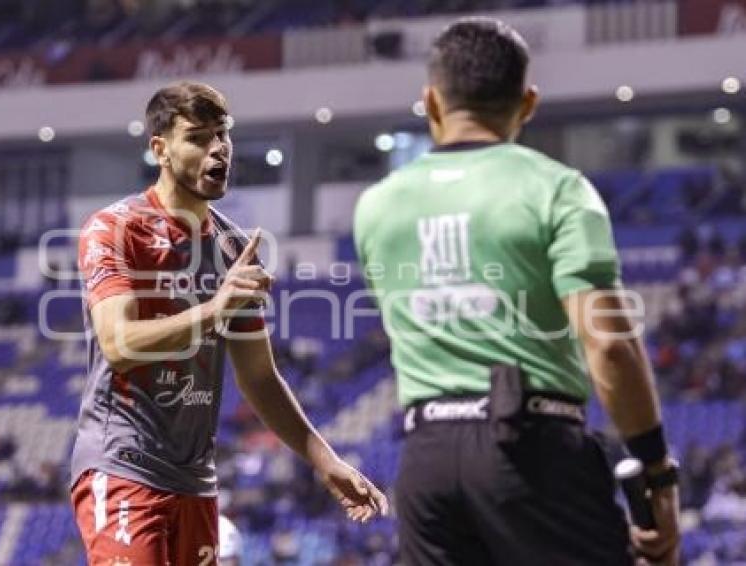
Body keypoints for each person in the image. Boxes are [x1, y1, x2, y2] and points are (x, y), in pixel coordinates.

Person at [353, 17, 680, 566]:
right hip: (532, 449)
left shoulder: (376, 206)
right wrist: (656, 469)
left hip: (425, 462)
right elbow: (610, 345)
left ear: (431, 103)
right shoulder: (557, 190)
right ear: (528, 103)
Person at [70, 81, 387, 565]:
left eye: (223, 135)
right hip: (123, 466)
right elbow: (118, 344)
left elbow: (259, 377)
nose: (218, 148)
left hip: (196, 480)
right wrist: (215, 309)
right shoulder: (115, 228)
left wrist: (326, 462)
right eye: (198, 137)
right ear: (161, 149)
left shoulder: (231, 246)